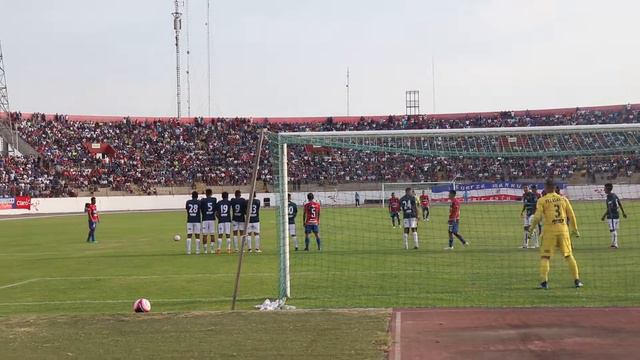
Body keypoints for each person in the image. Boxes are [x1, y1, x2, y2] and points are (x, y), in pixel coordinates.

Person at [529, 178, 583, 289]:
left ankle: (544, 283)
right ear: (555, 188)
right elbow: (571, 215)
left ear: (546, 187)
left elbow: (537, 217)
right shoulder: (563, 199)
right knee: (568, 256)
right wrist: (575, 229)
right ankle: (577, 281)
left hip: (549, 232)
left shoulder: (542, 200)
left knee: (545, 257)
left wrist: (531, 230)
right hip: (563, 231)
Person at [601, 183, 628, 249]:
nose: (604, 189)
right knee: (613, 230)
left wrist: (604, 216)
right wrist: (623, 212)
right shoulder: (614, 195)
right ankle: (613, 244)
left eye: (604, 188)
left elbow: (609, 208)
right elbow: (619, 203)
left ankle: (615, 245)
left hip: (612, 216)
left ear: (607, 189)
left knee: (613, 230)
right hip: (616, 215)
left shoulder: (610, 197)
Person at [200, 189, 217, 254]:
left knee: (205, 235)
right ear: (211, 193)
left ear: (206, 194)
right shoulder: (214, 199)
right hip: (212, 219)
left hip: (205, 219)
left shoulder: (203, 200)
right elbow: (215, 209)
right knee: (212, 234)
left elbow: (201, 209)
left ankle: (205, 250)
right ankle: (212, 250)